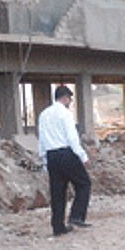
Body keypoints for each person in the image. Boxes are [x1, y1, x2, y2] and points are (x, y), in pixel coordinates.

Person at [37, 85, 92, 236]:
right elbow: (72, 138)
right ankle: (76, 216)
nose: (70, 102)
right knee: (84, 184)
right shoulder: (65, 114)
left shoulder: (43, 114)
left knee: (57, 193)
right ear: (65, 98)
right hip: (66, 153)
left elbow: (41, 139)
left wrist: (44, 160)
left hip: (51, 156)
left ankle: (58, 227)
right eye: (70, 99)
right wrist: (83, 156)